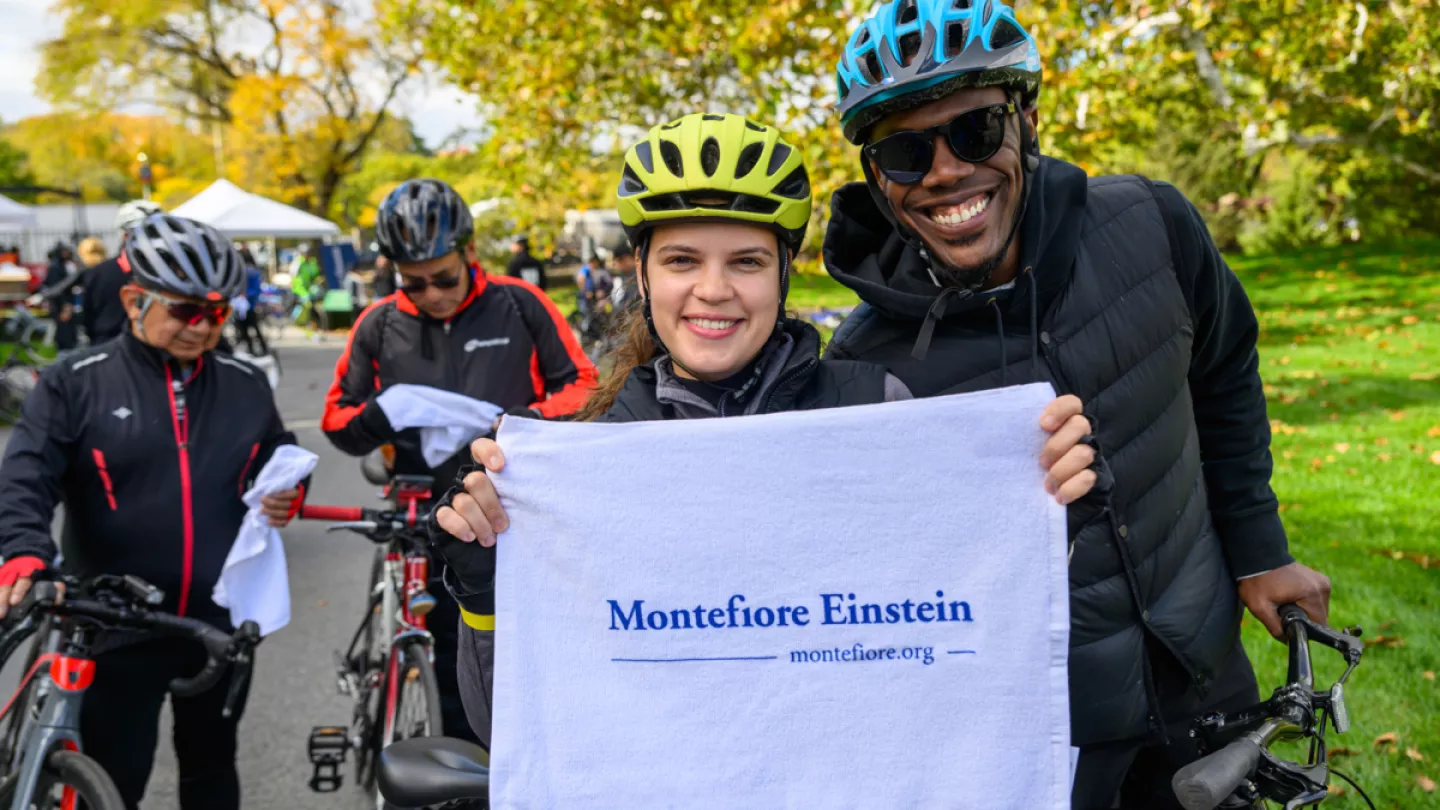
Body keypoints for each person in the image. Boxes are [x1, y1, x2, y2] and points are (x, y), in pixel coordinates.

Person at [427, 112, 1105, 749]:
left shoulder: (877, 410)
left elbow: (966, 640)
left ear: (783, 272)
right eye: (682, 260)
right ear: (641, 273)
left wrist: (1035, 528)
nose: (713, 289)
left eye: (746, 261)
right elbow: (508, 729)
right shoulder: (587, 457)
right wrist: (485, 593)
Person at [819, 2, 1331, 805]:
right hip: (1036, 732)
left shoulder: (1152, 224)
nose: (946, 171)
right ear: (877, 178)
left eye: (976, 131)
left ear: (1026, 120)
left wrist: (1260, 550)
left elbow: (1223, 370)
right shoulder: (860, 365)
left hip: (1203, 672)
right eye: (906, 152)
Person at [0, 214, 304, 810]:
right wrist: (24, 551)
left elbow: (278, 453)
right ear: (133, 300)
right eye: (185, 311)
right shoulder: (73, 382)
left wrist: (289, 490)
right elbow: (26, 476)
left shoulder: (245, 382)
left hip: (216, 622)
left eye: (217, 312)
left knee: (212, 770)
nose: (202, 327)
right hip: (114, 622)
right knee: (117, 778)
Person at [321, 178, 598, 744]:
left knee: (509, 647)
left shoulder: (520, 304)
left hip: (505, 507)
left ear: (470, 252)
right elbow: (336, 421)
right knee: (443, 648)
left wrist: (525, 421)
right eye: (414, 282)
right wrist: (380, 414)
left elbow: (585, 387)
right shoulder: (378, 323)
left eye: (445, 278)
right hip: (420, 503)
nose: (432, 294)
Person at [82, 199, 162, 345]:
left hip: (144, 348)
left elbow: (87, 317)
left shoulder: (99, 272)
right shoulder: (100, 272)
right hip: (111, 346)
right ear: (126, 235)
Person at [39, 243, 81, 351]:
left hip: (62, 303)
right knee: (64, 331)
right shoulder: (56, 268)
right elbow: (58, 290)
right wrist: (65, 305)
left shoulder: (61, 266)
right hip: (60, 304)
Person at [232, 245, 269, 357]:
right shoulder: (252, 271)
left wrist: (244, 295)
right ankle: (259, 348)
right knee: (253, 328)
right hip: (249, 305)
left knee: (245, 328)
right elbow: (257, 289)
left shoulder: (242, 272)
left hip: (244, 305)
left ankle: (253, 348)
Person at [290, 242, 326, 340]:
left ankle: (312, 329)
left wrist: (318, 281)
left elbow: (315, 274)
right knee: (307, 311)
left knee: (312, 311)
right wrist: (301, 292)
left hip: (310, 290)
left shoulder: (312, 262)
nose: (307, 255)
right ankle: (308, 330)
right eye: (305, 253)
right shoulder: (297, 263)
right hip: (300, 291)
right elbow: (294, 278)